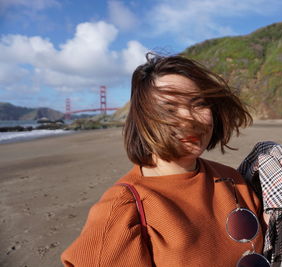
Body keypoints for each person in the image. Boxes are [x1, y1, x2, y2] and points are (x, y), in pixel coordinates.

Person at [61, 53, 269, 266]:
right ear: (143, 120)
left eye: (198, 104)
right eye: (169, 108)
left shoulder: (234, 180)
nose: (189, 118)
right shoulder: (123, 209)